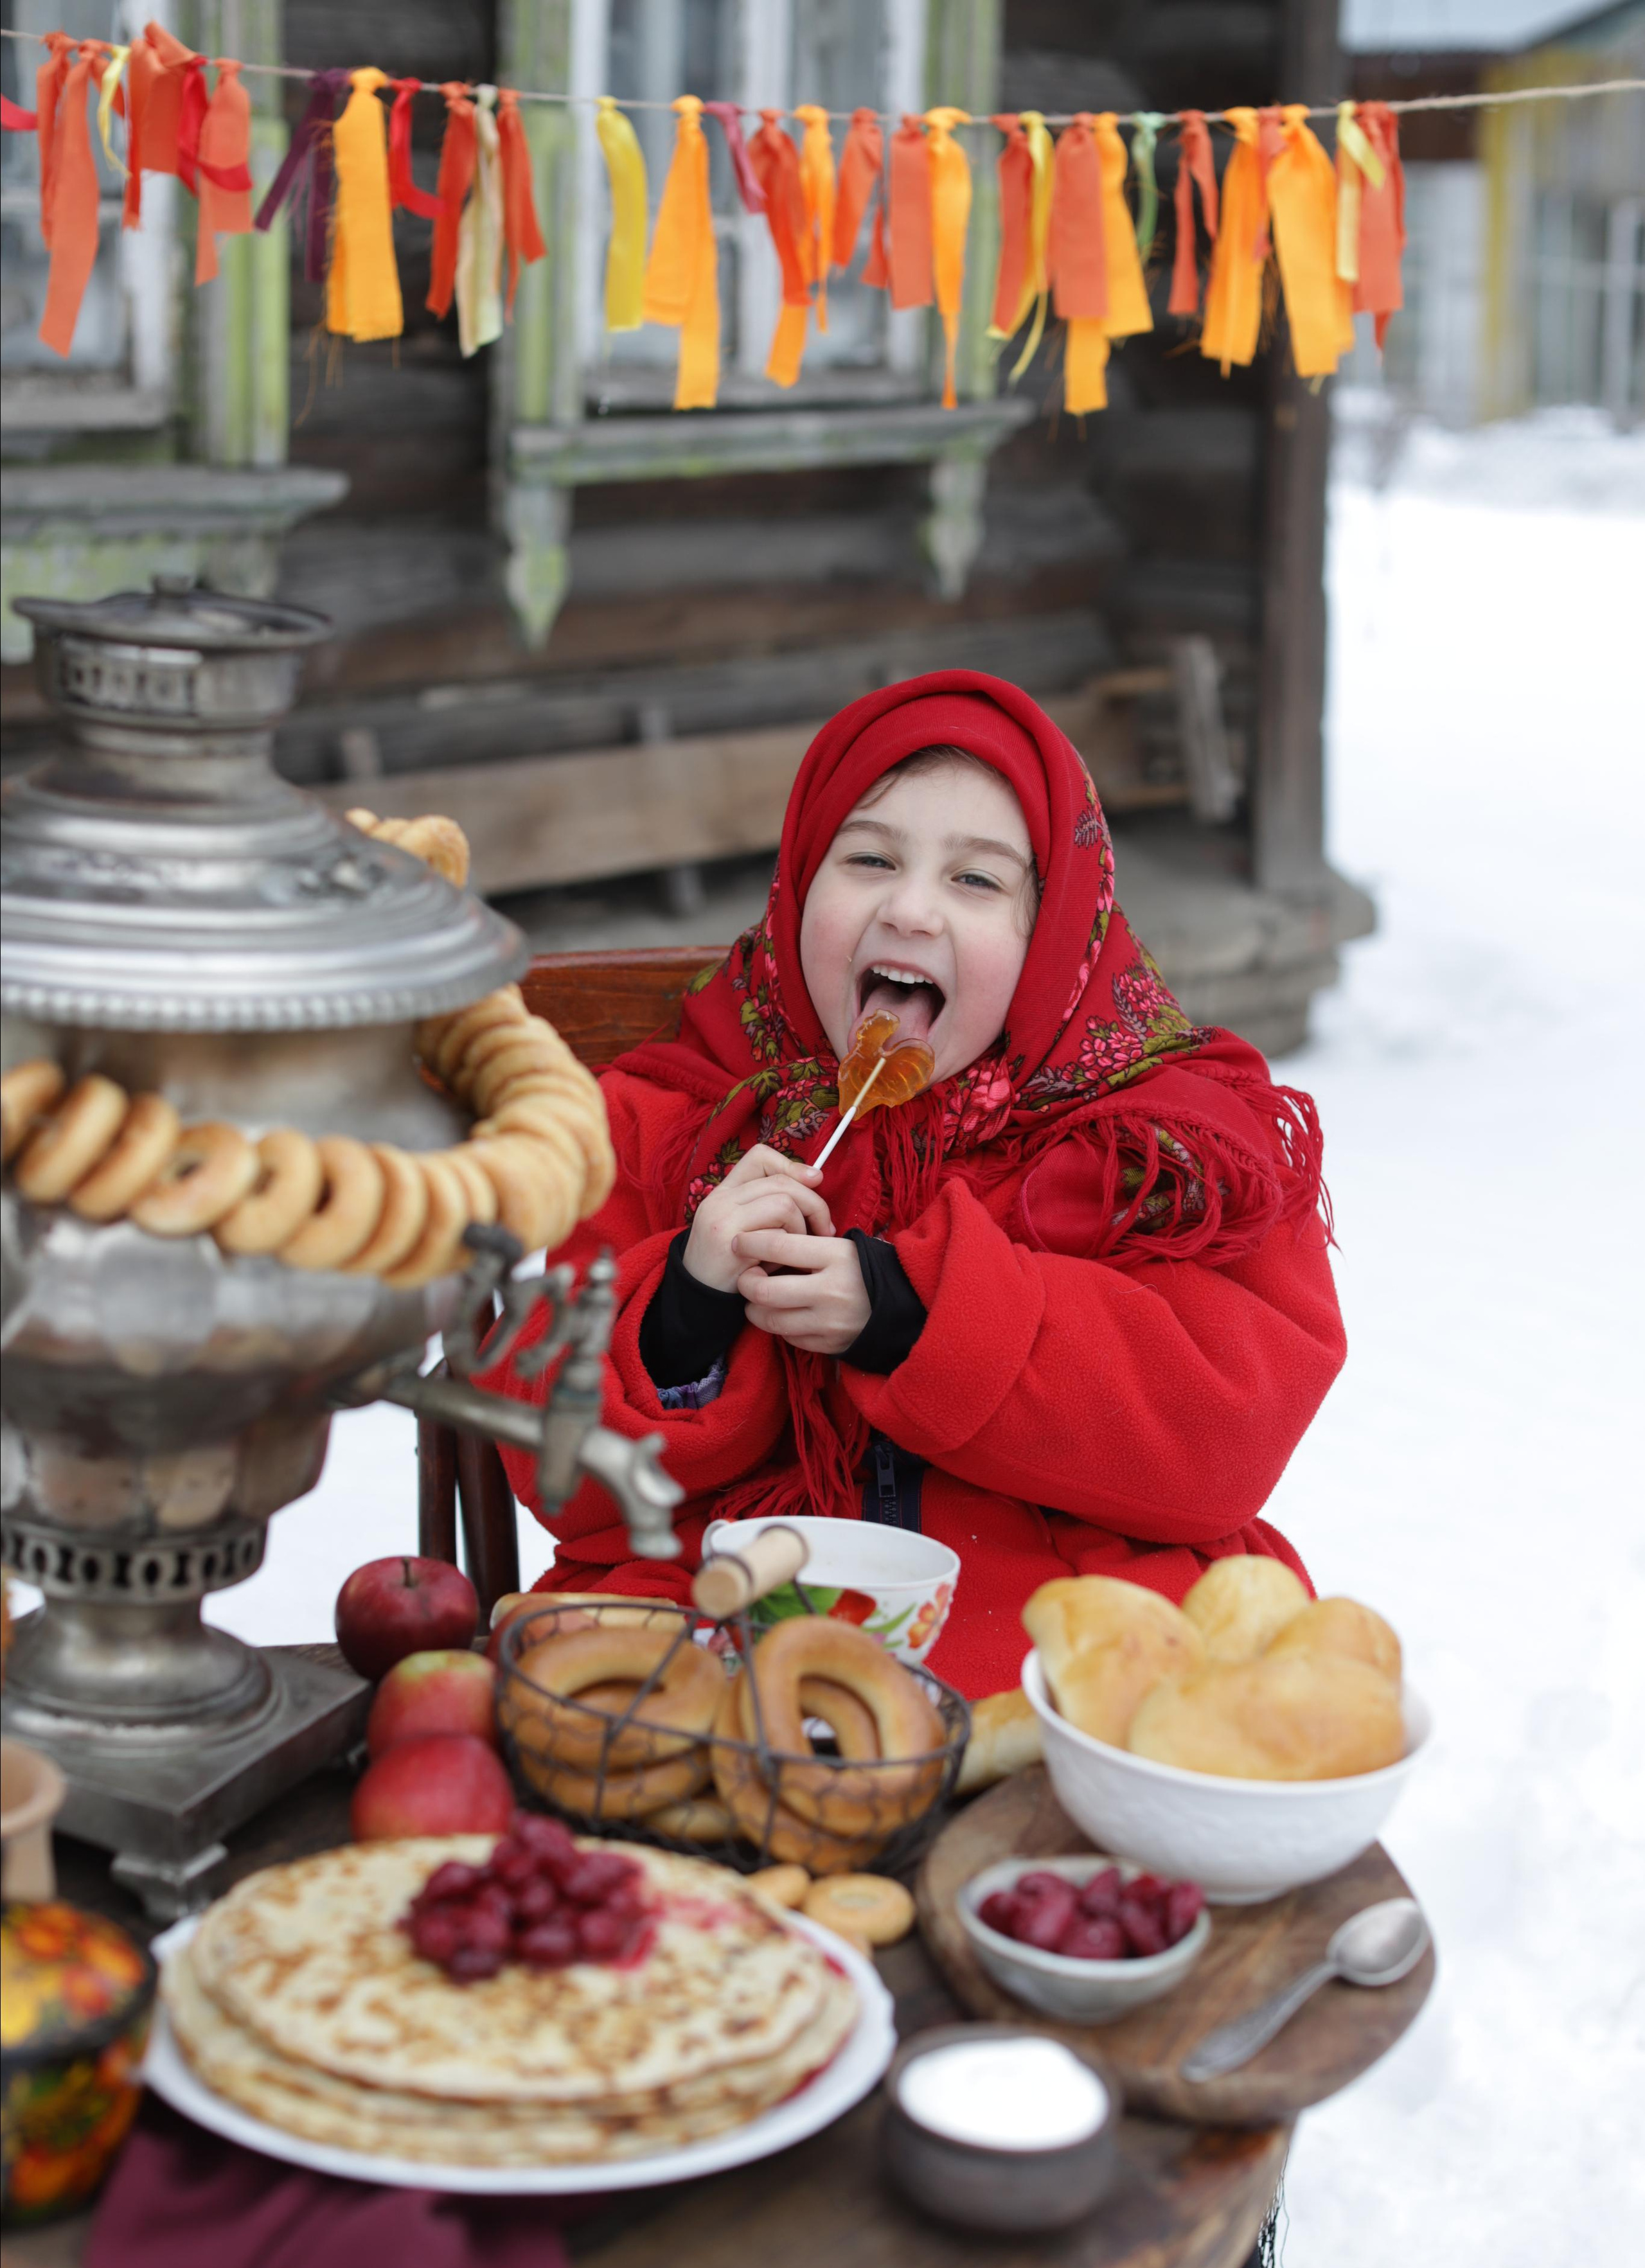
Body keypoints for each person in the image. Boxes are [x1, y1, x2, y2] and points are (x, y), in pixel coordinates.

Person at [481, 670, 1345, 1701]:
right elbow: (561, 1477)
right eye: (869, 859)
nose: (911, 906)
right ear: (800, 884)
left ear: (1053, 934)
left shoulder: (1161, 1148)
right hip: (724, 1647)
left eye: (976, 882)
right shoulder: (669, 1125)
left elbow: (1225, 1435)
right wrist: (684, 1307)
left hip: (1062, 1653)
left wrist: (914, 1312)